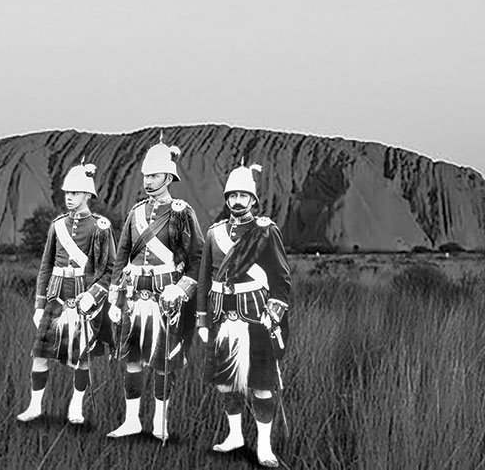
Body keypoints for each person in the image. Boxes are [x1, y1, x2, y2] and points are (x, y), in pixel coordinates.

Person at [106, 135, 204, 441]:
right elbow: (122, 255)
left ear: (169, 178)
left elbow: (197, 259)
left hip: (166, 298)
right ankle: (131, 421)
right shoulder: (135, 213)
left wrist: (182, 290)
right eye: (146, 176)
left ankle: (160, 423)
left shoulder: (181, 212)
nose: (148, 181)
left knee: (163, 361)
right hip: (134, 297)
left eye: (155, 176)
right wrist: (113, 296)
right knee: (132, 360)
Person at [196, 161, 291, 467]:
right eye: (233, 196)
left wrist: (273, 313)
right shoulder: (214, 234)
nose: (237, 201)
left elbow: (281, 280)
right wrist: (202, 319)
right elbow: (205, 279)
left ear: (252, 199)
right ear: (227, 199)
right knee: (227, 383)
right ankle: (235, 435)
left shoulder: (266, 231)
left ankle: (264, 446)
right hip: (222, 318)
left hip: (257, 318)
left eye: (243, 195)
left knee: (262, 385)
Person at [17, 159, 116, 424]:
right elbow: (45, 267)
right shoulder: (57, 225)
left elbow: (110, 271)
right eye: (67, 193)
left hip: (83, 299)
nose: (69, 197)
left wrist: (93, 295)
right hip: (56, 297)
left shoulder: (100, 227)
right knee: (40, 355)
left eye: (74, 193)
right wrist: (39, 305)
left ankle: (76, 406)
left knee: (81, 358)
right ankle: (35, 406)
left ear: (87, 195)